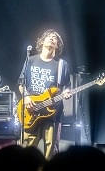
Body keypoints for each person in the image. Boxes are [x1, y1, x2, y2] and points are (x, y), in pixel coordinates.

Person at [18, 29, 71, 159]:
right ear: (42, 41)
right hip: (30, 111)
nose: (52, 38)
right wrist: (27, 97)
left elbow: (67, 86)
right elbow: (21, 84)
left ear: (57, 45)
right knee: (26, 152)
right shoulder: (30, 60)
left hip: (52, 114)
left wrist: (66, 92)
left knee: (51, 152)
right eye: (49, 36)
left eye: (55, 38)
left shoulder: (62, 65)